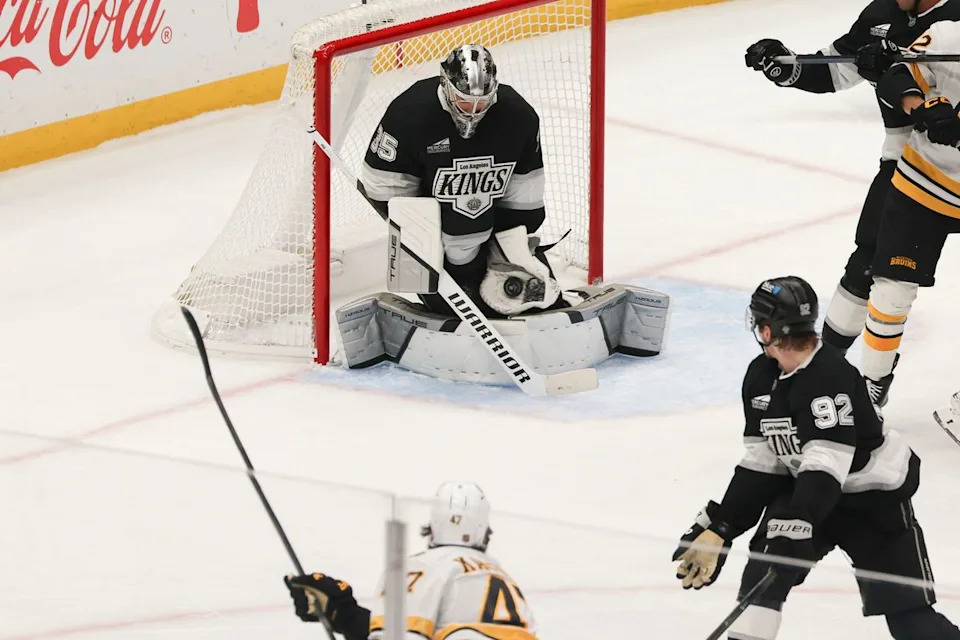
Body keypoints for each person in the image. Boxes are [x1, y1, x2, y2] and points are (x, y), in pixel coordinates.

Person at [672, 276, 960, 639]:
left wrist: (798, 520)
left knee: (911, 620)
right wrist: (722, 526)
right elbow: (764, 462)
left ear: (764, 329)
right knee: (760, 588)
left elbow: (827, 462)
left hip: (871, 502)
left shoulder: (830, 377)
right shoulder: (761, 377)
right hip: (805, 494)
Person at [744, 0, 960, 362]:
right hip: (909, 165)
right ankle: (828, 366)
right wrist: (787, 67)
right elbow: (835, 70)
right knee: (868, 266)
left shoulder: (953, 20)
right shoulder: (882, 15)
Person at [359, 44, 562, 318]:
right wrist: (424, 241)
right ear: (445, 85)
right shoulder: (410, 113)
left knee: (539, 296)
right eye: (465, 101)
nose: (473, 111)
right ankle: (458, 284)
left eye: (482, 102)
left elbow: (525, 198)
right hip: (436, 238)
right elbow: (383, 190)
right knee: (458, 288)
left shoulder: (518, 118)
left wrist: (506, 248)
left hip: (491, 227)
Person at [854, 21, 960, 405]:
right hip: (923, 184)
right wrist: (922, 107)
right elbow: (897, 76)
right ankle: (871, 387)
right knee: (892, 292)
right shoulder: (949, 34)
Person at [284, 482, 538, 640]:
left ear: (433, 525)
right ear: (484, 529)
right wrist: (345, 615)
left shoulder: (423, 567)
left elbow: (400, 636)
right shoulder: (499, 575)